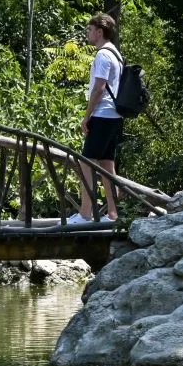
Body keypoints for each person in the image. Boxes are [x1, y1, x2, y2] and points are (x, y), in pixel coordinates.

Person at [70, 13, 123, 224]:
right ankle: (113, 214)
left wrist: (87, 116)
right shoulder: (116, 54)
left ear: (100, 32)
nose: (88, 33)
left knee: (87, 163)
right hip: (115, 117)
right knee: (107, 166)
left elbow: (99, 88)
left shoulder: (102, 55)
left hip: (102, 115)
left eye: (90, 30)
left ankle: (85, 214)